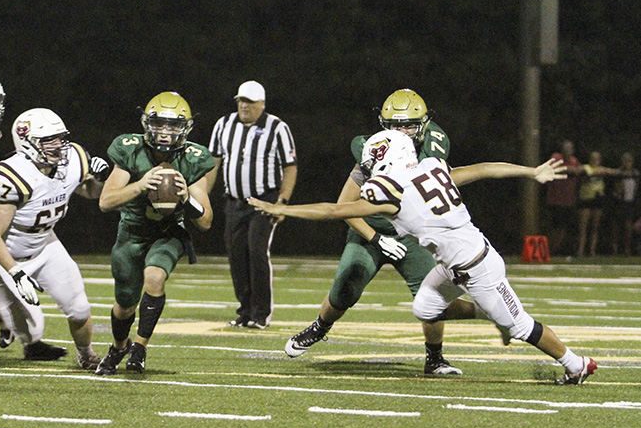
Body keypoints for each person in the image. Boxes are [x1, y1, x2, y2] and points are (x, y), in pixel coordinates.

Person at [249, 129, 597, 385]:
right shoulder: (432, 168)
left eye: (374, 163)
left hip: (479, 267)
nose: (371, 169)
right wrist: (530, 172)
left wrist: (283, 209)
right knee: (425, 307)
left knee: (521, 326)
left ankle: (575, 363)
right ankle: (487, 313)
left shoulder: (393, 191)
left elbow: (331, 211)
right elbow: (484, 168)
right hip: (451, 266)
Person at [283, 88, 462, 375]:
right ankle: (319, 327)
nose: (401, 132)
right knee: (346, 285)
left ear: (423, 125)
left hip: (411, 233)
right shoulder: (374, 152)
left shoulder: (431, 150)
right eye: (394, 126)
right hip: (371, 228)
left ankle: (435, 357)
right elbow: (344, 206)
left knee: (433, 295)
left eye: (408, 125)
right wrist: (377, 238)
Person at [0, 108, 109, 368]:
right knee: (32, 330)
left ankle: (86, 355)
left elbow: (90, 193)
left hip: (45, 243)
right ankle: (7, 316)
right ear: (26, 141)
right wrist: (16, 273)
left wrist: (100, 180)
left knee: (79, 309)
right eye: (48, 140)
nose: (58, 146)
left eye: (60, 138)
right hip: (2, 254)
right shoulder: (13, 175)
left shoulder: (74, 158)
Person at [95, 91, 213, 375]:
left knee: (155, 276)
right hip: (132, 233)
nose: (165, 132)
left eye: (173, 126)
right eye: (159, 123)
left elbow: (206, 220)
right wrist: (140, 185)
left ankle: (140, 347)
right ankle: (119, 346)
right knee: (124, 305)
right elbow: (105, 201)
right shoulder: (129, 149)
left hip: (168, 232)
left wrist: (188, 200)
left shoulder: (194, 159)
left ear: (185, 129)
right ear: (147, 123)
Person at [206, 80, 297, 329]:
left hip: (263, 201)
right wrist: (203, 195)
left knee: (256, 251)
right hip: (234, 202)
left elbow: (290, 167)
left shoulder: (277, 127)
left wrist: (282, 202)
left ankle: (260, 314)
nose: (244, 106)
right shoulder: (223, 125)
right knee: (236, 255)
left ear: (262, 104)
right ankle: (245, 311)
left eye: (249, 101)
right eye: (241, 101)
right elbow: (213, 161)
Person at [576, 151, 620, 257]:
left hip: (597, 198)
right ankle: (580, 251)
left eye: (597, 159)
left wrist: (607, 172)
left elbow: (614, 172)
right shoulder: (585, 168)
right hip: (586, 198)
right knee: (583, 226)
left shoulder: (602, 169)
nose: (595, 161)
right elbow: (580, 174)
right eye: (593, 158)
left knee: (594, 227)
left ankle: (592, 251)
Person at [544, 139, 582, 256]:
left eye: (569, 149)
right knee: (555, 227)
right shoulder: (556, 158)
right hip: (555, 199)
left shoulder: (574, 161)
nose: (567, 151)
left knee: (564, 227)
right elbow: (555, 168)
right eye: (565, 149)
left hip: (568, 200)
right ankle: (549, 249)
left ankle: (557, 249)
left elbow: (579, 170)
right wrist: (571, 170)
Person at [608, 152, 638, 256]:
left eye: (628, 161)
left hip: (630, 203)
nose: (626, 163)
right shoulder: (618, 173)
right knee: (616, 226)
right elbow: (616, 189)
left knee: (628, 227)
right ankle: (614, 249)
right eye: (624, 160)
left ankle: (627, 249)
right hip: (619, 202)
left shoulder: (635, 174)